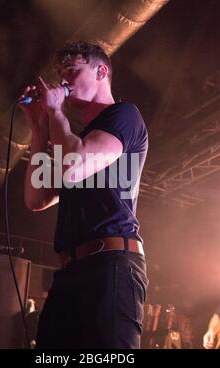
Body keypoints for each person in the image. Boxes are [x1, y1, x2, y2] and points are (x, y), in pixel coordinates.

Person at [21, 41, 149, 349]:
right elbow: (36, 198)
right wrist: (39, 130)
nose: (63, 79)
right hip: (71, 272)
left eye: (72, 71)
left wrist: (55, 112)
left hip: (112, 265)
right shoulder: (75, 142)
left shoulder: (124, 115)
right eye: (60, 72)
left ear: (101, 71)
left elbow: (75, 167)